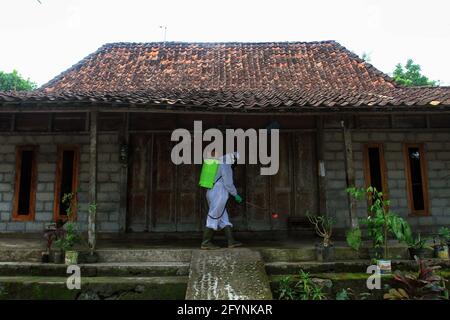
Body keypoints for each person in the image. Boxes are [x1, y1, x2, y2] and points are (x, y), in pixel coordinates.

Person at [201, 152, 243, 250]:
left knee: (224, 218)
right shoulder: (225, 164)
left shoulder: (217, 162)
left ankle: (231, 241)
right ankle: (206, 242)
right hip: (219, 192)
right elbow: (228, 183)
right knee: (214, 215)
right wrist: (235, 194)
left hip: (211, 191)